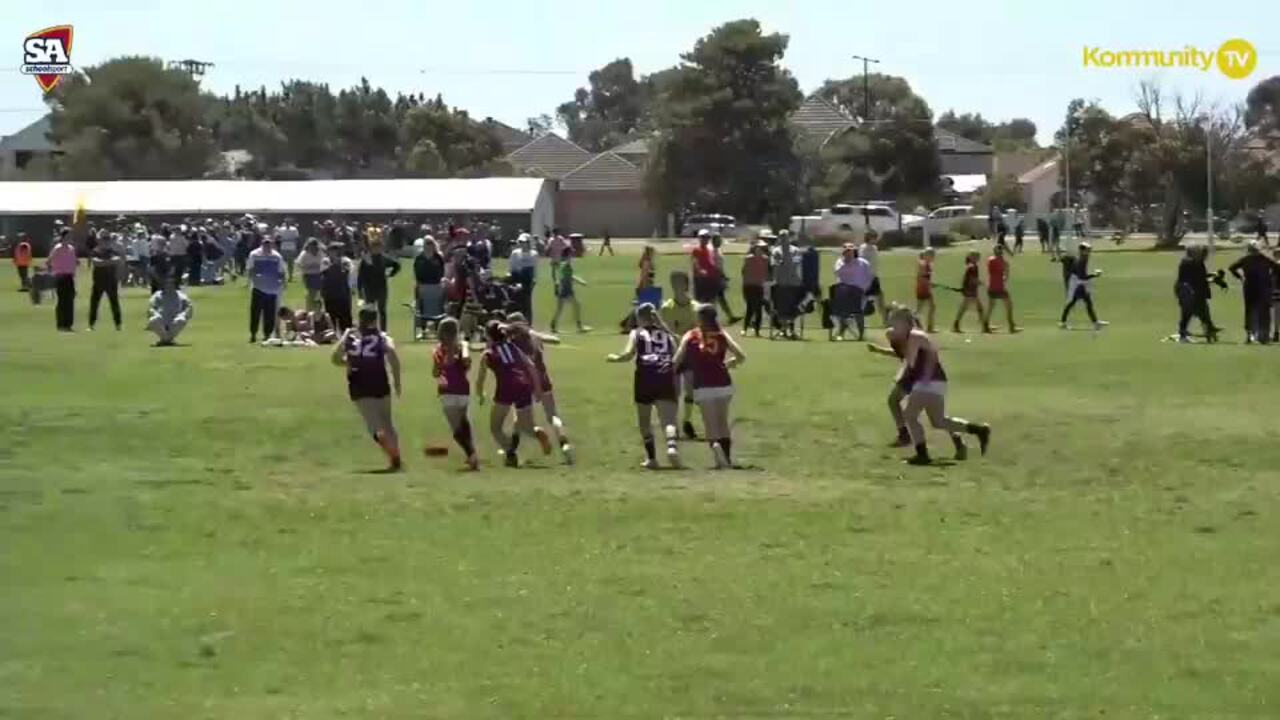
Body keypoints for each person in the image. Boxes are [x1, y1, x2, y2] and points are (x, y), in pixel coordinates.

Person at [882, 306, 991, 465]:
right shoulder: (912, 336)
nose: (892, 326)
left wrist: (897, 343)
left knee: (910, 415)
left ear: (905, 322)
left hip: (929, 382)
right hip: (934, 381)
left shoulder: (914, 336)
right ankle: (980, 430)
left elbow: (913, 361)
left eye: (895, 322)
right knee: (938, 421)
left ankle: (922, 455)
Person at [608, 302, 682, 469]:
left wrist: (614, 358)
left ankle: (652, 459)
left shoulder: (636, 332)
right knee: (668, 419)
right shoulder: (667, 335)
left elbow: (628, 354)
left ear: (640, 318)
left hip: (645, 376)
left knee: (644, 420)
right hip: (664, 375)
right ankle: (671, 447)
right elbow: (677, 352)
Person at [673, 304, 746, 469]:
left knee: (710, 425)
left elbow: (676, 361)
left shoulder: (690, 335)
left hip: (703, 385)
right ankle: (726, 458)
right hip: (723, 383)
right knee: (722, 423)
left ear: (700, 318)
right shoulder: (721, 334)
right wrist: (730, 363)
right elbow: (741, 356)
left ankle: (716, 452)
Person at [332, 307, 403, 471]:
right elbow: (392, 353)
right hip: (380, 381)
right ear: (375, 320)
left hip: (359, 385)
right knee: (387, 423)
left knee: (375, 427)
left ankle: (394, 456)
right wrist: (397, 381)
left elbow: (335, 358)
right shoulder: (382, 337)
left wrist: (348, 361)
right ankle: (396, 455)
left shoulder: (350, 337)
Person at [475, 320, 550, 468]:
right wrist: (538, 390)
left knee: (496, 427)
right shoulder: (512, 347)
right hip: (523, 385)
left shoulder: (487, 354)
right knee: (527, 426)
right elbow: (531, 367)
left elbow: (480, 380)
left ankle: (510, 452)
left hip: (505, 388)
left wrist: (481, 394)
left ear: (489, 337)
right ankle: (537, 432)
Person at [507, 312, 574, 464]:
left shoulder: (512, 340)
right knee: (553, 415)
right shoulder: (532, 335)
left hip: (525, 381)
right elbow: (554, 339)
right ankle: (565, 444)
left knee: (519, 419)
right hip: (543, 379)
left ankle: (511, 452)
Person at [431, 317, 479, 470]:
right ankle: (471, 454)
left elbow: (435, 372)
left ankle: (471, 454)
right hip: (463, 389)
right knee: (464, 422)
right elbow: (466, 362)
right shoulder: (462, 345)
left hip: (447, 390)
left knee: (456, 428)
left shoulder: (438, 349)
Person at [661, 271, 700, 440]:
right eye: (673, 283)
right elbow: (666, 330)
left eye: (678, 283)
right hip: (673, 353)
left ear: (686, 285)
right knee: (674, 391)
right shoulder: (666, 308)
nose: (675, 286)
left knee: (691, 390)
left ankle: (687, 421)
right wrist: (674, 337)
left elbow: (698, 330)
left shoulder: (695, 308)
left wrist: (687, 337)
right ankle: (674, 425)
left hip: (691, 353)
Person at [1228, 240, 1278, 344]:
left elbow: (1232, 268)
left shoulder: (1246, 259)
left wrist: (1240, 277)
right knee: (1263, 312)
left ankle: (1252, 335)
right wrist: (1270, 278)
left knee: (1251, 311)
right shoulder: (1264, 259)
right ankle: (1262, 336)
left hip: (1251, 288)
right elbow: (1277, 268)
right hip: (1263, 288)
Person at [1175, 244, 1219, 343]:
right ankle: (1183, 335)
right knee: (1188, 313)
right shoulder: (1189, 262)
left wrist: (1211, 276)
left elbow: (1200, 276)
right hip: (1189, 291)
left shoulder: (1194, 262)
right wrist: (1210, 279)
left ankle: (1209, 330)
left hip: (1195, 291)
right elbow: (1196, 278)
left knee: (1202, 312)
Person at [247, 236, 287, 343]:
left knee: (269, 313)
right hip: (258, 287)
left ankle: (267, 334)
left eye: (269, 244)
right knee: (255, 312)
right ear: (262, 244)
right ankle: (253, 333)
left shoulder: (277, 256)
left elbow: (281, 272)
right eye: (265, 244)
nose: (267, 246)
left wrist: (283, 283)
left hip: (272, 289)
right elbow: (250, 269)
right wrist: (252, 280)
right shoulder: (254, 254)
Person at [1059, 243, 1107, 330]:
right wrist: (1095, 275)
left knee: (1075, 302)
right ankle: (1095, 323)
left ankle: (1063, 322)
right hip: (1078, 284)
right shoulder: (1082, 260)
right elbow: (1082, 276)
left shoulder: (1083, 258)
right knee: (1082, 302)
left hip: (1078, 283)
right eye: (1087, 250)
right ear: (1082, 251)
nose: (1089, 251)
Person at [357, 238, 401, 331]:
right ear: (371, 248)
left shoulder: (383, 258)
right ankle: (369, 329)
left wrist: (390, 274)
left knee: (382, 311)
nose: (377, 249)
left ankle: (383, 331)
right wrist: (360, 290)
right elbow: (360, 276)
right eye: (374, 247)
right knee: (370, 311)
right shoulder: (366, 259)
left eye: (378, 247)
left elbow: (397, 265)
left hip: (381, 288)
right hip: (369, 289)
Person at [832, 243, 871, 341]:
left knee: (858, 311)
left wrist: (864, 289)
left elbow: (868, 278)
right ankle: (841, 332)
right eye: (846, 251)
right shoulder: (840, 262)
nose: (848, 253)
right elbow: (837, 272)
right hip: (843, 293)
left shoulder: (863, 263)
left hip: (858, 293)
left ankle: (861, 334)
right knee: (842, 292)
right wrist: (847, 262)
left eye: (850, 251)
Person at [770, 230, 804, 339]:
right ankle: (783, 330)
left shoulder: (795, 250)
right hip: (781, 284)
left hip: (794, 283)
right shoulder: (776, 251)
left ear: (789, 238)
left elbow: (796, 262)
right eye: (781, 237)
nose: (784, 239)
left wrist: (786, 261)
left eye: (785, 237)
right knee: (782, 308)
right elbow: (775, 265)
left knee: (794, 307)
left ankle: (791, 330)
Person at [88, 230, 123, 331]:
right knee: (94, 303)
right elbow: (96, 262)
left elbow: (117, 260)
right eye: (104, 239)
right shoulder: (95, 251)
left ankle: (118, 324)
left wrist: (104, 262)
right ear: (99, 240)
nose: (106, 241)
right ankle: (91, 324)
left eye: (108, 238)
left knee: (114, 303)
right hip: (98, 281)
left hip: (111, 281)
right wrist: (109, 262)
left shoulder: (113, 251)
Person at [147, 272, 193, 346]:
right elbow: (151, 308)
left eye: (171, 284)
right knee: (153, 320)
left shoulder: (181, 295)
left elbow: (189, 307)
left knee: (181, 320)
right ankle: (168, 340)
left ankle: (164, 340)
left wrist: (184, 314)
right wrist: (155, 313)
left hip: (175, 321)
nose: (169, 285)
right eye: (167, 283)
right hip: (161, 320)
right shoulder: (157, 295)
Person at [413, 237, 446, 340]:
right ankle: (423, 331)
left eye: (430, 243)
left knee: (437, 308)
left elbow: (442, 271)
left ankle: (437, 331)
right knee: (423, 309)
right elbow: (416, 272)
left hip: (436, 286)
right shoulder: (419, 258)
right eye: (426, 243)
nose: (428, 246)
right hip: (423, 285)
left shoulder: (438, 257)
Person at [982, 244, 1018, 333]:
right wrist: (1006, 270)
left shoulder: (990, 260)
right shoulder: (1002, 261)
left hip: (991, 286)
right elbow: (1006, 275)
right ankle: (1011, 326)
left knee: (990, 307)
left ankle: (985, 325)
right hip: (999, 287)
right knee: (1008, 305)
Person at [549, 256, 589, 334]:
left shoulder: (565, 266)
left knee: (561, 309)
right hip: (566, 290)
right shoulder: (565, 266)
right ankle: (579, 327)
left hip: (566, 290)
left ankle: (553, 324)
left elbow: (569, 277)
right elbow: (565, 277)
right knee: (576, 306)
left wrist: (580, 281)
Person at [49, 229, 79, 332]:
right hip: (60, 276)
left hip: (69, 277)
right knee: (62, 301)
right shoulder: (57, 248)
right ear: (64, 236)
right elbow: (49, 261)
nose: (70, 238)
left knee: (70, 300)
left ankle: (68, 324)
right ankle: (61, 324)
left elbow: (74, 262)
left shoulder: (71, 248)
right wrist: (53, 272)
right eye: (69, 236)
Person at [321, 242, 354, 332]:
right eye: (332, 250)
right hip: (330, 293)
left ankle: (347, 335)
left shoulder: (346, 261)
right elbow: (325, 272)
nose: (334, 253)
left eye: (336, 250)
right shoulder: (325, 261)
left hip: (343, 293)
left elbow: (347, 273)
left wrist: (338, 263)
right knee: (331, 315)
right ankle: (333, 335)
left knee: (345, 316)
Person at [740, 241, 770, 337]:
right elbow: (743, 271)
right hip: (749, 286)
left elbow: (767, 272)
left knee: (758, 309)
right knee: (750, 308)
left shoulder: (766, 259)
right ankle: (744, 329)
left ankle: (756, 330)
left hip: (759, 286)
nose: (759, 250)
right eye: (758, 248)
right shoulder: (748, 259)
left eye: (761, 248)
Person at [951, 250, 986, 333]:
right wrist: (979, 282)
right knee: (977, 308)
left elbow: (967, 279)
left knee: (967, 308)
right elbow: (971, 279)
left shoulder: (971, 266)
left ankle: (984, 325)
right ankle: (984, 326)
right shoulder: (972, 267)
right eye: (977, 256)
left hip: (969, 290)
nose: (979, 258)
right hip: (970, 291)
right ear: (972, 257)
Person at [710, 233, 741, 323]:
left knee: (720, 298)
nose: (720, 241)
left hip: (718, 277)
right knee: (717, 298)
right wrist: (722, 276)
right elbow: (715, 266)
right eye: (718, 240)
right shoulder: (713, 252)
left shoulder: (717, 250)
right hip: (716, 278)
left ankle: (729, 316)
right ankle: (716, 318)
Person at [859, 230, 886, 325]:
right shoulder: (863, 248)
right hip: (866, 278)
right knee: (863, 300)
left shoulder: (874, 248)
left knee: (880, 299)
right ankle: (861, 322)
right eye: (873, 237)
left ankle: (885, 321)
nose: (875, 239)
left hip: (874, 277)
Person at [296, 238, 326, 312]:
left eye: (314, 246)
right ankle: (310, 310)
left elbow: (324, 263)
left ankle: (318, 310)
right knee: (311, 294)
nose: (313, 248)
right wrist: (309, 267)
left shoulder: (320, 253)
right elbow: (299, 264)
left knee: (320, 294)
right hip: (309, 276)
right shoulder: (304, 254)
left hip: (319, 275)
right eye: (311, 246)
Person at [690, 230, 719, 304]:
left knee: (711, 300)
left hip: (711, 278)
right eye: (703, 237)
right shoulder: (696, 249)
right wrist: (700, 270)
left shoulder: (710, 249)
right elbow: (695, 261)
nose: (705, 239)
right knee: (700, 301)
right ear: (699, 238)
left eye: (707, 237)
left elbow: (713, 262)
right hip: (701, 279)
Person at [914, 248, 938, 333]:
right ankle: (927, 326)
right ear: (927, 255)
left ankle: (929, 326)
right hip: (922, 288)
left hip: (926, 288)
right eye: (932, 255)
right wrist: (929, 283)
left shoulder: (928, 265)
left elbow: (926, 277)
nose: (933, 257)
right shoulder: (923, 264)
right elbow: (920, 277)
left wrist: (930, 284)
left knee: (930, 307)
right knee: (926, 307)